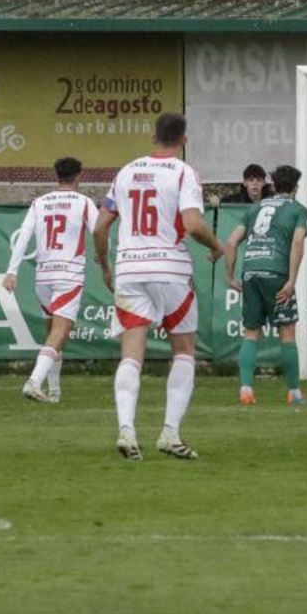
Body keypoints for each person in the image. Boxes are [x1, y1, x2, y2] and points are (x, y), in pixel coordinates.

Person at [92, 112, 227, 461]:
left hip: (130, 269)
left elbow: (100, 226)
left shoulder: (125, 172)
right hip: (170, 270)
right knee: (183, 350)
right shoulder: (184, 173)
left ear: (153, 136)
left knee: (131, 354)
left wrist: (104, 264)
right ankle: (169, 433)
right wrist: (215, 246)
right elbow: (193, 225)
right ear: (184, 140)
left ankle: (126, 429)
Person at [4, 157, 98, 404]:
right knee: (60, 333)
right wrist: (102, 253)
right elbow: (99, 231)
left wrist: (12, 270)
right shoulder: (84, 202)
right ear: (79, 176)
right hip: (69, 273)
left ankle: (54, 391)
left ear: (56, 176)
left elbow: (23, 237)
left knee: (52, 333)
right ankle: (34, 381)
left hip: (43, 275)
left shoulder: (40, 202)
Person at [224, 164, 307, 407]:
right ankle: (294, 392)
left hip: (250, 271)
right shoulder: (298, 211)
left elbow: (231, 243)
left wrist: (230, 277)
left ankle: (246, 389)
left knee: (251, 332)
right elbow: (296, 244)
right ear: (296, 187)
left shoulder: (254, 209)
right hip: (275, 273)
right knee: (287, 332)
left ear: (272, 185)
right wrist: (292, 280)